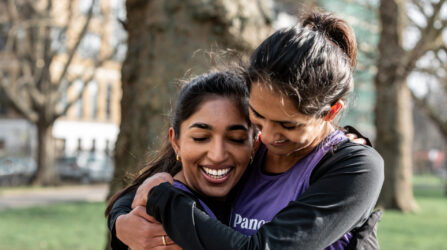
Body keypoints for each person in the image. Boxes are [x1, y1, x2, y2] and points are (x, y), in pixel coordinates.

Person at [111, 10, 384, 250]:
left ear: (331, 112)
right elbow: (141, 191)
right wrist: (122, 223)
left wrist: (163, 199)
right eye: (258, 116)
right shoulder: (248, 148)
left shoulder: (356, 166)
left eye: (288, 125)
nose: (268, 136)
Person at [105, 71, 257, 249]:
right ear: (176, 142)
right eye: (200, 138)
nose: (218, 155)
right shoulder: (157, 224)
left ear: (256, 142)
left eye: (236, 138)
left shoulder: (258, 185)